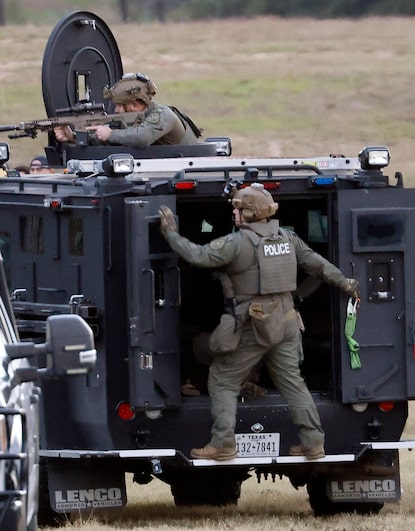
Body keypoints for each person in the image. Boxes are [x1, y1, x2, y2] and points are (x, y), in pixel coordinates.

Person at [158, 183, 360, 461]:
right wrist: (345, 282)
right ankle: (313, 443)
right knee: (293, 383)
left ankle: (223, 444)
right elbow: (318, 265)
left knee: (222, 379)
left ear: (251, 213)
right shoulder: (288, 238)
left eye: (238, 209)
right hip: (287, 322)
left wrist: (171, 234)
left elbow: (198, 256)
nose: (234, 214)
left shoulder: (236, 242)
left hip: (253, 323)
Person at [53, 72, 200, 148]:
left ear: (135, 104)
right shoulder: (131, 121)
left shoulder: (163, 115)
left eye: (119, 105)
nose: (116, 110)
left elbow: (142, 137)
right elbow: (106, 140)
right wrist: (72, 136)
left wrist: (111, 134)